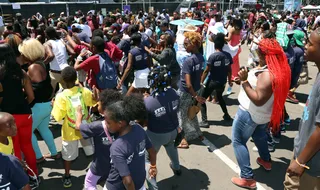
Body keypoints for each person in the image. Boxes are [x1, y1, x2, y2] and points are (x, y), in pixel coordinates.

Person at [231, 32, 291, 189]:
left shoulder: (267, 75)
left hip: (250, 113)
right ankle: (266, 160)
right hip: (264, 115)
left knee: (238, 141)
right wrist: (245, 82)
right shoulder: (279, 69)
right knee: (259, 136)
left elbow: (258, 99)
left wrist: (244, 81)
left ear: (265, 55)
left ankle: (247, 177)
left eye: (258, 52)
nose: (256, 53)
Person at [283, 28, 320, 190]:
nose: (305, 45)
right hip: (306, 156)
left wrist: (300, 162)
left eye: (310, 44)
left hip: (309, 164)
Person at [0, 44, 39, 189]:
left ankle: (21, 180)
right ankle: (34, 175)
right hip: (25, 113)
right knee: (27, 146)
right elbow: (31, 96)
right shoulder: (21, 72)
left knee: (14, 150)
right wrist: (23, 105)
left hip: (7, 118)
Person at [51, 66, 96, 188]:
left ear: (63, 81)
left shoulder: (61, 96)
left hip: (70, 130)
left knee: (67, 155)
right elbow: (93, 102)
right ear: (76, 78)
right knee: (91, 151)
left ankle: (67, 176)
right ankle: (95, 172)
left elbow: (58, 117)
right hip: (85, 127)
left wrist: (54, 105)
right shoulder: (84, 91)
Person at [18, 39, 60, 163]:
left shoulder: (33, 67)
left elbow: (36, 89)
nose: (22, 55)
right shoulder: (41, 63)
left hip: (39, 106)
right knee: (43, 129)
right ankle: (54, 153)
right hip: (46, 105)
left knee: (28, 132)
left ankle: (38, 157)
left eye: (23, 52)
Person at [104, 95, 157, 190]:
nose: (106, 125)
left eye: (108, 122)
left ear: (120, 123)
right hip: (139, 184)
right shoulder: (139, 129)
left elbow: (127, 181)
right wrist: (153, 166)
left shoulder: (117, 147)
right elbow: (152, 150)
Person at [75, 89, 121, 190]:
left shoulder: (97, 126)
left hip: (100, 163)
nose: (96, 105)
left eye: (98, 103)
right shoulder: (122, 123)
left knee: (89, 182)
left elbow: (78, 127)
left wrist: (79, 115)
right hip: (116, 163)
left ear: (104, 108)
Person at [144, 66, 181, 190]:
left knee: (148, 158)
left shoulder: (149, 101)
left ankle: (152, 185)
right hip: (174, 131)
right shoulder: (174, 93)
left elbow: (144, 120)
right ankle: (176, 167)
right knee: (171, 146)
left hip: (156, 135)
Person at [177, 31, 206, 149]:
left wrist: (195, 96)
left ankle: (182, 139)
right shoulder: (201, 58)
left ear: (193, 44)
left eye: (186, 44)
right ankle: (199, 133)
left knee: (181, 115)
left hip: (186, 91)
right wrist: (196, 94)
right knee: (191, 113)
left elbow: (188, 84)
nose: (184, 46)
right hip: (196, 89)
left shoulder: (188, 61)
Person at [199, 33, 233, 128]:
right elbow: (229, 70)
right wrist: (230, 81)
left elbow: (206, 71)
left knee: (201, 99)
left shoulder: (213, 56)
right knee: (220, 97)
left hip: (212, 82)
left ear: (214, 44)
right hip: (222, 83)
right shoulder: (227, 55)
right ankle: (226, 115)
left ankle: (204, 121)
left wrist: (201, 82)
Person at [44, 27, 71, 95]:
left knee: (50, 94)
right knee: (68, 93)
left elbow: (51, 56)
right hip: (65, 71)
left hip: (54, 73)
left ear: (46, 35)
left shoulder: (47, 44)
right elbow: (73, 52)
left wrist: (43, 63)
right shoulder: (62, 41)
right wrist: (66, 60)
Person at [286, 30, 306, 104]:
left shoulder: (295, 50)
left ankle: (289, 93)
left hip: (291, 74)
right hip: (293, 74)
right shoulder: (300, 50)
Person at [225, 18, 243, 95]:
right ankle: (235, 76)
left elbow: (228, 38)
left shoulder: (232, 29)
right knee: (235, 64)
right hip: (237, 48)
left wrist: (220, 37)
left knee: (230, 64)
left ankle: (231, 78)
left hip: (232, 48)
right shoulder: (239, 30)